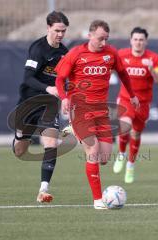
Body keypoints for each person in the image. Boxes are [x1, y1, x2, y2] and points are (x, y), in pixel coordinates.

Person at [55, 20, 139, 209]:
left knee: (104, 159)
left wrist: (132, 95)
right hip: (80, 109)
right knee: (92, 152)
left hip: (101, 111)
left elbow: (124, 74)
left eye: (106, 39)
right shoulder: (76, 53)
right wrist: (64, 98)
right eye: (100, 38)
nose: (103, 43)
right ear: (90, 35)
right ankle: (98, 200)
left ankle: (75, 131)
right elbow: (60, 78)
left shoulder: (111, 53)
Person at [12, 11, 69, 203]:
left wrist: (65, 95)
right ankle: (20, 136)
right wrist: (48, 87)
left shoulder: (64, 53)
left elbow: (65, 81)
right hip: (29, 102)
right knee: (20, 151)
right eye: (57, 30)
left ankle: (43, 190)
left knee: (51, 144)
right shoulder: (38, 48)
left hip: (49, 104)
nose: (60, 34)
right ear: (48, 28)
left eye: (63, 31)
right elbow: (28, 78)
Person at [113, 27, 158, 183]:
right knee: (124, 127)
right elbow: (111, 67)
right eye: (135, 39)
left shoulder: (153, 58)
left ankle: (131, 165)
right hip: (126, 99)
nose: (138, 42)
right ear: (131, 40)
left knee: (136, 134)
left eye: (141, 40)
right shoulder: (122, 55)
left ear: (146, 41)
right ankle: (121, 154)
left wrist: (151, 69)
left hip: (143, 103)